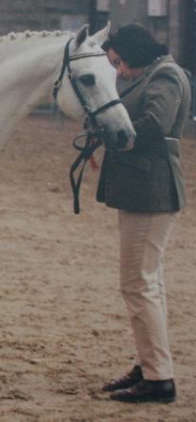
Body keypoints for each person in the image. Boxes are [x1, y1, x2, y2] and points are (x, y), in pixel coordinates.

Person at [98, 24, 191, 404]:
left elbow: (156, 123)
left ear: (135, 52)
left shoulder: (165, 74)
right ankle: (150, 363)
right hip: (141, 190)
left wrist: (113, 136)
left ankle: (158, 378)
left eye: (120, 62)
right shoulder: (153, 73)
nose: (119, 71)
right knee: (147, 284)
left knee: (139, 284)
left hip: (151, 191)